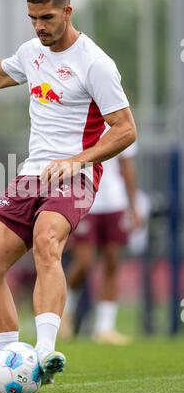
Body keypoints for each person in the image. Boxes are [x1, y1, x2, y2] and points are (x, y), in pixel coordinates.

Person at [0, 0, 136, 393]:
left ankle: (43, 353)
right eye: (32, 19)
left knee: (46, 240)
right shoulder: (31, 52)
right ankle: (9, 368)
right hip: (29, 174)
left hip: (77, 174)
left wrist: (76, 160)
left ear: (67, 12)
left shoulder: (96, 63)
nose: (39, 27)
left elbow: (126, 129)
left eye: (47, 17)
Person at [61, 141, 142, 344]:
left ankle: (105, 327)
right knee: (84, 262)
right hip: (84, 198)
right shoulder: (82, 122)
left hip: (115, 202)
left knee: (113, 261)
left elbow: (127, 168)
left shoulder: (120, 123)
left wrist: (134, 207)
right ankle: (64, 313)